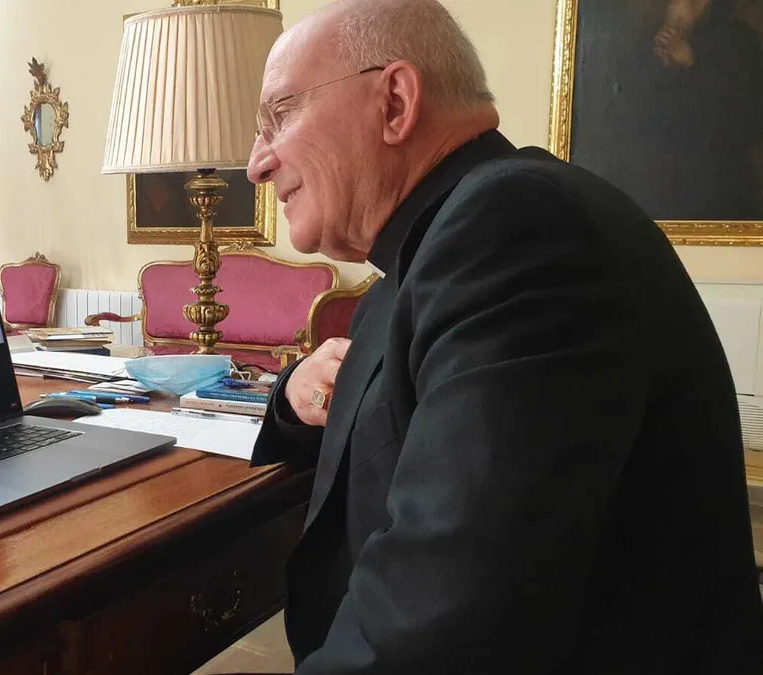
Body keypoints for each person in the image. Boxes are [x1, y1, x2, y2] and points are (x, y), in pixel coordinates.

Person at [245, 1, 763, 672]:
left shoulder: (515, 228)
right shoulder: (430, 253)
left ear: (395, 103)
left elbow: (443, 627)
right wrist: (294, 393)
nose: (257, 163)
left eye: (280, 116)